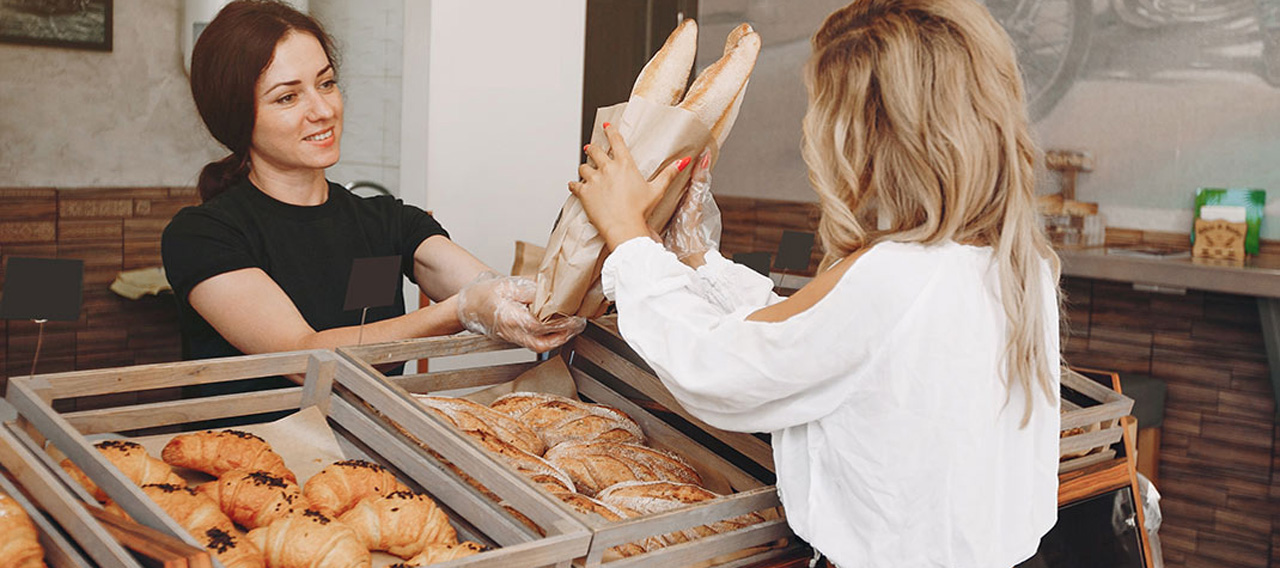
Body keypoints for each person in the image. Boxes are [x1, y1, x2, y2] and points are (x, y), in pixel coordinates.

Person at [569, 0, 1063, 565]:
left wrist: (629, 237)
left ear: (866, 137)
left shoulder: (896, 277)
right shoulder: (1013, 265)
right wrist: (699, 259)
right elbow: (809, 337)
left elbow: (719, 369)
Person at [162, 0, 582, 368]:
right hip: (254, 452)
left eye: (326, 83)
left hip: (373, 451)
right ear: (236, 117)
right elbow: (300, 354)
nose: (322, 109)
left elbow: (487, 288)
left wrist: (552, 291)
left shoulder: (387, 222)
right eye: (288, 97)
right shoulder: (202, 237)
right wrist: (463, 311)